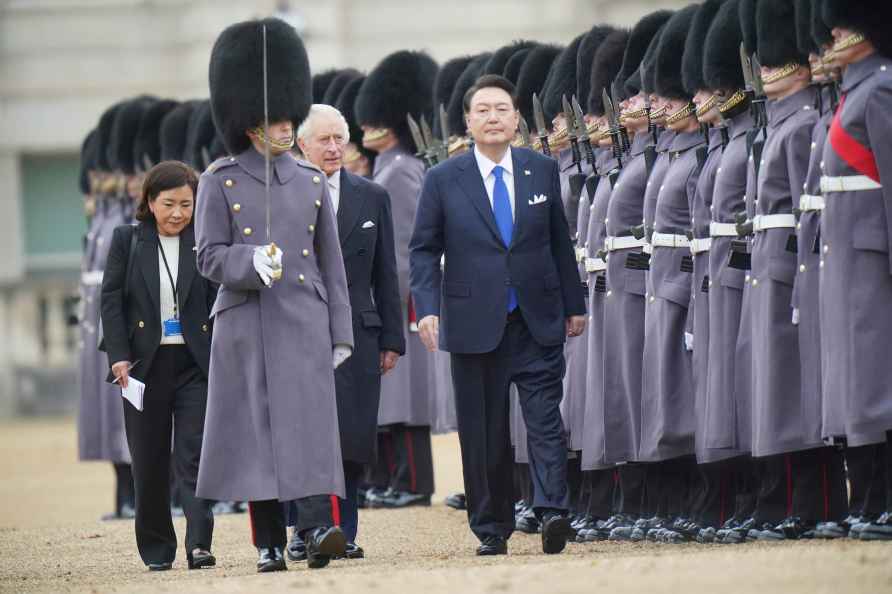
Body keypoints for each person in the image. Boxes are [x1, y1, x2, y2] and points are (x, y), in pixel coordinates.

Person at [194, 18, 353, 572]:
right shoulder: (220, 179)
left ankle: (313, 531)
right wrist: (247, 261)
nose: (285, 127)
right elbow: (207, 256)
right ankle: (267, 543)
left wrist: (341, 332)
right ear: (249, 124)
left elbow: (332, 265)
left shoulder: (310, 180)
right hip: (247, 320)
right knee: (259, 436)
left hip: (303, 320)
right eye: (274, 120)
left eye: (289, 118)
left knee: (308, 430)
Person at [409, 74, 586, 556]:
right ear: (468, 121)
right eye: (483, 109)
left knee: (545, 419)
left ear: (516, 119)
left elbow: (558, 243)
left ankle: (553, 511)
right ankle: (491, 525)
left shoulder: (541, 170)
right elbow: (423, 250)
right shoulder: (443, 179)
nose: (493, 117)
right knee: (484, 431)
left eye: (502, 109)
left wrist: (575, 304)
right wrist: (426, 310)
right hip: (472, 321)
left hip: (536, 317)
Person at [285, 104, 404, 560]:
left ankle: (344, 530)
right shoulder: (284, 196)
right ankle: (303, 528)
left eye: (341, 139)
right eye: (324, 140)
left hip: (358, 329)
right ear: (302, 145)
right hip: (299, 329)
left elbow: (385, 272)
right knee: (305, 432)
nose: (335, 148)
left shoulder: (372, 196)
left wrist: (392, 338)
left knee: (352, 436)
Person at [100, 160, 216, 571]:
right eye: (169, 204)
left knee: (194, 457)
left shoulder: (204, 240)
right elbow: (111, 301)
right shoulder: (126, 240)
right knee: (148, 462)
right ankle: (156, 549)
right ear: (150, 202)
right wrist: (118, 355)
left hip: (194, 365)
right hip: (142, 367)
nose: (178, 213)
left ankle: (199, 544)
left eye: (187, 204)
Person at [819, 0, 892, 540]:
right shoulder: (857, 91)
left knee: (877, 380)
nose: (834, 31)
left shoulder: (881, 89)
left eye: (844, 21)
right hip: (846, 253)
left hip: (870, 252)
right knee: (857, 384)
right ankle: (868, 500)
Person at [355, 50, 440, 508]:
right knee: (389, 396)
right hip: (384, 294)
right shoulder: (387, 165)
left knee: (405, 398)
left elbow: (404, 245)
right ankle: (395, 478)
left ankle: (412, 482)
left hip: (401, 298)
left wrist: (395, 301)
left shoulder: (402, 168)